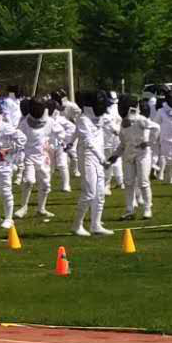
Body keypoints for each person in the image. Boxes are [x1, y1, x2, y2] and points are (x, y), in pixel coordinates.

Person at [71, 92, 117, 237]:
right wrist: (102, 158)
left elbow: (113, 128)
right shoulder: (83, 119)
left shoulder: (102, 117)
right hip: (88, 158)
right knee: (89, 192)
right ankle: (77, 225)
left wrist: (125, 133)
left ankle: (95, 224)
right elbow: (88, 142)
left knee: (100, 193)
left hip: (99, 159)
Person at [119, 99, 161, 219]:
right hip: (128, 153)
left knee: (143, 182)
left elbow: (157, 128)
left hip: (143, 154)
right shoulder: (122, 124)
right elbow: (122, 143)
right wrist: (114, 156)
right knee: (128, 182)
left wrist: (149, 142)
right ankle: (129, 210)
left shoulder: (141, 120)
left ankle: (147, 209)